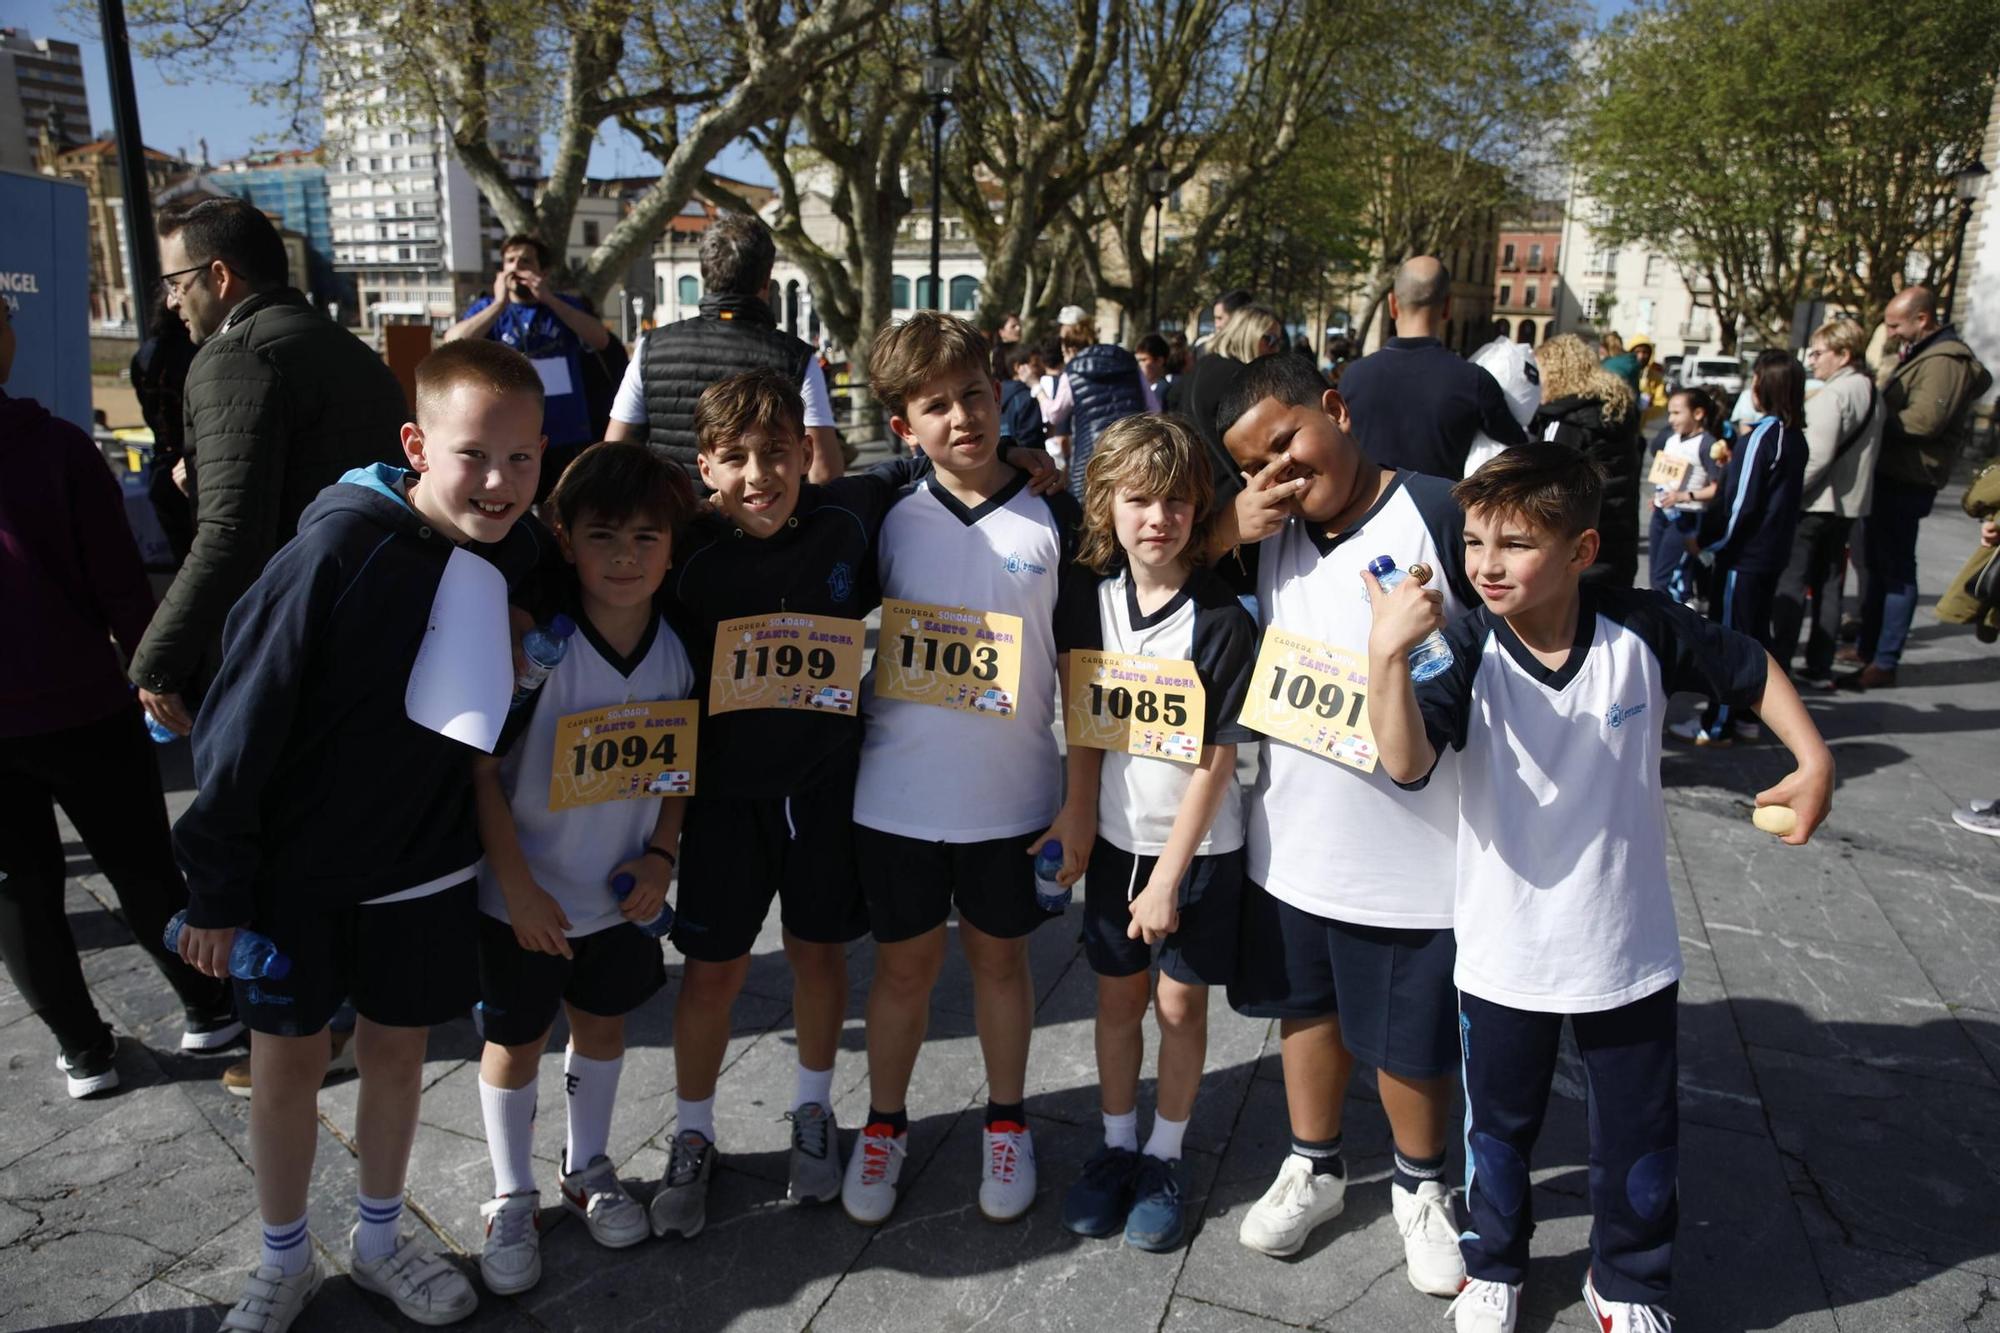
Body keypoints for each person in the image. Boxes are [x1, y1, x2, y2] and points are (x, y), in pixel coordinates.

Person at [1364, 442, 1834, 1333]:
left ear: (1581, 549)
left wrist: (1812, 757)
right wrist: (1390, 654)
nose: (1486, 564)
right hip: (1505, 950)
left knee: (1640, 1138)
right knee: (1497, 1133)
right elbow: (1405, 759)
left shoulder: (1643, 628)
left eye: (1514, 543)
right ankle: (1493, 1263)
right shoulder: (1460, 644)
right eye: (1472, 542)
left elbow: (1747, 662)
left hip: (1629, 946)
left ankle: (1627, 1279)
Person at [172, 340, 553, 1331]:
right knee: (285, 1065)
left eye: (523, 458)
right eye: (474, 454)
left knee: (396, 1052)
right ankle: (282, 1255)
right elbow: (237, 722)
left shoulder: (518, 543)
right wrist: (215, 889)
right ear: (415, 444)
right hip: (295, 873)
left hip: (420, 866)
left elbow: (618, 530)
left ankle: (381, 1237)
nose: (500, 481)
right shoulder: (334, 552)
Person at [1210, 354, 1474, 1299]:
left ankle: (1421, 1182)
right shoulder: (1266, 531)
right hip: (1293, 840)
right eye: (1253, 466)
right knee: (1306, 1009)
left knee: (1410, 1036)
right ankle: (1314, 1164)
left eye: (1286, 442)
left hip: (1415, 849)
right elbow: (1148, 543)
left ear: (1337, 408)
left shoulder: (1442, 510)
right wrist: (1223, 524)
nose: (1277, 473)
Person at [839, 314, 1101, 1227]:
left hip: (1013, 798)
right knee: (902, 972)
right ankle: (883, 1124)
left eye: (975, 395)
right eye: (935, 406)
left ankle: (1006, 1119)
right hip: (896, 798)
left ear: (1002, 394)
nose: (962, 417)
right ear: (905, 426)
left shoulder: (1053, 511)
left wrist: (1080, 799)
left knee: (1001, 963)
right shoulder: (880, 510)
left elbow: (1084, 668)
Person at [0, 294, 239, 1100]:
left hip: (58, 704)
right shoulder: (58, 449)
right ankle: (207, 1004)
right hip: (80, 701)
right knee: (141, 863)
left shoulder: (58, 447)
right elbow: (120, 584)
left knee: (19, 892)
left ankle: (83, 1048)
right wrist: (156, 669)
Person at [473, 442, 697, 1294]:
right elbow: (480, 769)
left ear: (673, 544)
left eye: (647, 538)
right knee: (514, 1041)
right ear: (564, 538)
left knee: (603, 1028)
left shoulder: (677, 648)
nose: (627, 557)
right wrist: (517, 887)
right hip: (521, 898)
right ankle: (509, 1190)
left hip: (618, 898)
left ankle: (586, 1166)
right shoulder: (537, 646)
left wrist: (662, 855)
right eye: (604, 536)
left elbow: (681, 767)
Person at [1058, 415, 1256, 1253]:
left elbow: (1218, 759)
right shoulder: (1090, 601)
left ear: (1199, 508)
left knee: (1177, 1003)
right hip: (1111, 840)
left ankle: (1166, 1154)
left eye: (1177, 502)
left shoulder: (1221, 619)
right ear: (1106, 503)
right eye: (1139, 499)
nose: (1158, 519)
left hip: (1196, 851)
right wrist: (1074, 817)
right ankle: (1114, 1144)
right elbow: (1086, 723)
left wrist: (1170, 877)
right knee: (1114, 1000)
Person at [131, 196, 408, 740]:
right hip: (373, 624)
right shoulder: (348, 348)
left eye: (175, 283)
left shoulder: (235, 356)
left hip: (288, 642)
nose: (170, 302)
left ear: (219, 275)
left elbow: (230, 534)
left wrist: (157, 661)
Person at [605, 213, 842, 485]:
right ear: (766, 280)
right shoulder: (796, 358)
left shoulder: (649, 349)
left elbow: (615, 449)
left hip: (674, 519)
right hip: (764, 518)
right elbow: (824, 472)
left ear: (705, 274)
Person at [1841, 285, 1992, 690]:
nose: (1890, 333)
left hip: (1907, 479)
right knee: (1875, 566)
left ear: (1921, 319)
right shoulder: (1925, 353)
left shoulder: (1945, 361)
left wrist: (1872, 415)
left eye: (1895, 325)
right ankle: (1869, 647)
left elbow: (1925, 422)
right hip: (1893, 474)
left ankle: (1884, 661)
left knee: (1895, 572)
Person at [1668, 351, 1808, 746]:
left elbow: (1742, 503)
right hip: (1769, 555)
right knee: (1756, 636)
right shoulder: (1793, 437)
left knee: (1731, 639)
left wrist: (1711, 545)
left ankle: (1718, 723)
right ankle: (1747, 717)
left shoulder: (1762, 436)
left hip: (1742, 556)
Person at [444, 233, 610, 490]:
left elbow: (601, 339)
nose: (517, 267)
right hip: (509, 430)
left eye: (526, 261)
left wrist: (549, 299)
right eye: (510, 260)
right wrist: (500, 304)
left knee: (564, 501)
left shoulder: (565, 306)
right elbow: (453, 342)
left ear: (543, 271)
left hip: (566, 430)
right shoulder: (488, 309)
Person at [1336, 257, 1526, 479]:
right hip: (1441, 512)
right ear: (1447, 307)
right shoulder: (1474, 381)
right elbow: (1520, 450)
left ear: (1392, 305)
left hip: (1369, 513)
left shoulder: (1352, 377)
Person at [1773, 318, 1882, 689]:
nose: (1812, 360)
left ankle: (1780, 663)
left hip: (1816, 504)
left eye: (1819, 353)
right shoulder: (1870, 389)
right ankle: (1819, 663)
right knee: (1830, 583)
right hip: (1848, 505)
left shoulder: (1836, 395)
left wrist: (1785, 495)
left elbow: (1816, 457)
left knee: (1793, 582)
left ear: (1843, 354)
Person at [1530, 334, 1643, 588]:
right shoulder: (1610, 409)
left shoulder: (1569, 420)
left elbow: (1547, 486)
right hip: (1616, 543)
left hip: (1580, 553)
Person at [1035, 307, 1155, 498]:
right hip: (1133, 453)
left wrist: (1037, 389)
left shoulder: (1073, 370)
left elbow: (1054, 414)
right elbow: (1154, 409)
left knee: (1091, 513)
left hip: (1090, 458)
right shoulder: (1127, 360)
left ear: (1067, 344)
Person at [130, 288, 197, 563]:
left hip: (161, 467)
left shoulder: (143, 356)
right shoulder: (196, 354)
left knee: (185, 560)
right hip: (194, 468)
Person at [1646, 387, 1720, 605]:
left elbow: (1716, 489)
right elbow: (1666, 477)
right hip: (1662, 513)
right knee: (1656, 577)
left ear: (1698, 414)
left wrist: (1683, 496)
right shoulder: (1672, 439)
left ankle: (1678, 625)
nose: (1671, 419)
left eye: (1677, 413)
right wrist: (1659, 496)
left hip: (1686, 518)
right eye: (1670, 413)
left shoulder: (1707, 444)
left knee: (1668, 579)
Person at [1000, 344, 1049, 455]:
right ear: (1018, 367)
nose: (1043, 368)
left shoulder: (996, 395)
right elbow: (1032, 445)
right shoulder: (1027, 399)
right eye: (1036, 364)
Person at [1136, 332, 1171, 399]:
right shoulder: (1137, 390)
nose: (1139, 365)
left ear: (1159, 361)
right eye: (1138, 361)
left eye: (1143, 360)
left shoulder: (1166, 393)